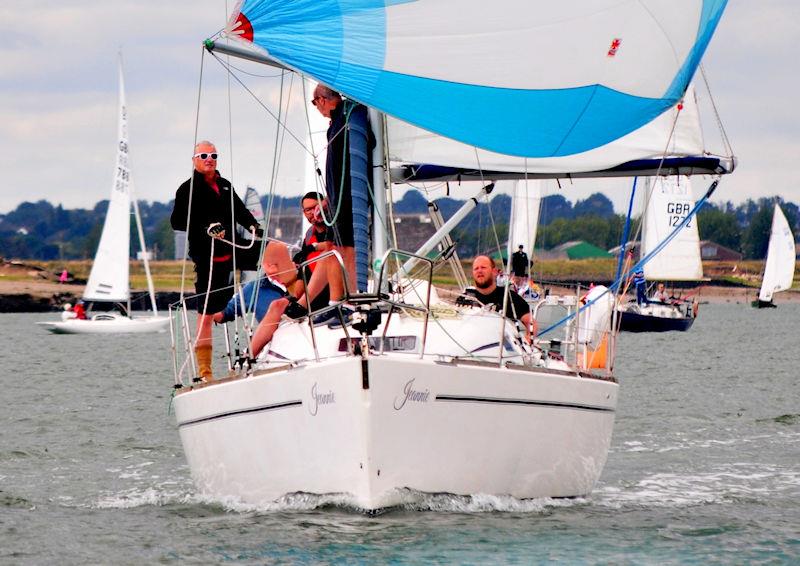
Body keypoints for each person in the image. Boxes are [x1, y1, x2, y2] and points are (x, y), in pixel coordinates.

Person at [170, 141, 261, 381]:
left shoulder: (225, 186)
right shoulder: (187, 190)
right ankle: (205, 372)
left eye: (213, 155)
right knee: (207, 313)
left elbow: (240, 212)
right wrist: (206, 226)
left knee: (270, 257)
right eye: (203, 155)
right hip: (206, 256)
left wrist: (255, 227)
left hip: (232, 250)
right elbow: (177, 221)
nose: (209, 159)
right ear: (194, 160)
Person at [312, 84, 373, 291]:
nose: (317, 108)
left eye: (315, 103)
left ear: (321, 100)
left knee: (347, 249)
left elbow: (368, 144)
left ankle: (354, 298)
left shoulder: (350, 116)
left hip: (349, 197)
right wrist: (329, 199)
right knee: (333, 247)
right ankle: (337, 300)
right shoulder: (337, 122)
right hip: (337, 199)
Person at [465, 255, 535, 342]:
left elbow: (531, 322)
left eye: (483, 267)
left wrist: (528, 341)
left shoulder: (509, 296)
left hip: (502, 348)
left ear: (494, 271)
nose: (479, 271)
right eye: (476, 268)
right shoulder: (465, 298)